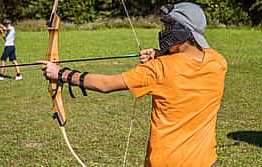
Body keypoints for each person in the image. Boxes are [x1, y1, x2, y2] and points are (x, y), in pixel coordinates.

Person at [39, 2, 227, 166]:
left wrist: (61, 73)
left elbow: (106, 84)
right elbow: (189, 62)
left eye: (168, 26)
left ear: (182, 32)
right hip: (206, 160)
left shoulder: (158, 69)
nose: (163, 32)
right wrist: (160, 53)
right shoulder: (218, 62)